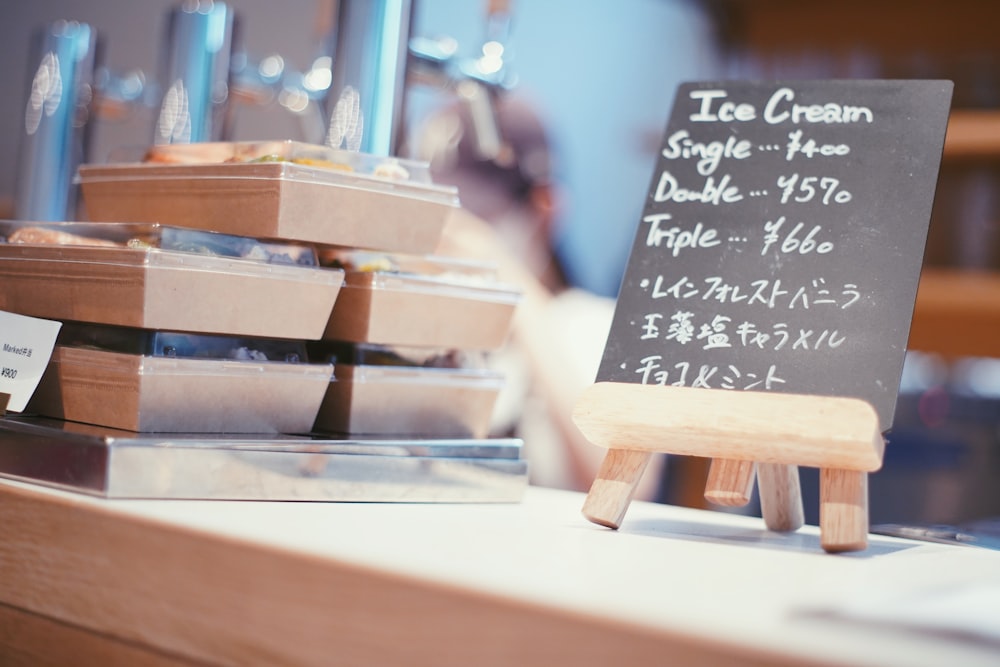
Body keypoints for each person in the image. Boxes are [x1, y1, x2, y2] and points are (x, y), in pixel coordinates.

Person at [414, 92, 665, 498]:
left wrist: (511, 291)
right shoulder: (429, 329)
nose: (451, 239)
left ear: (544, 210)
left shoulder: (592, 326)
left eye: (478, 217)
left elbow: (628, 489)